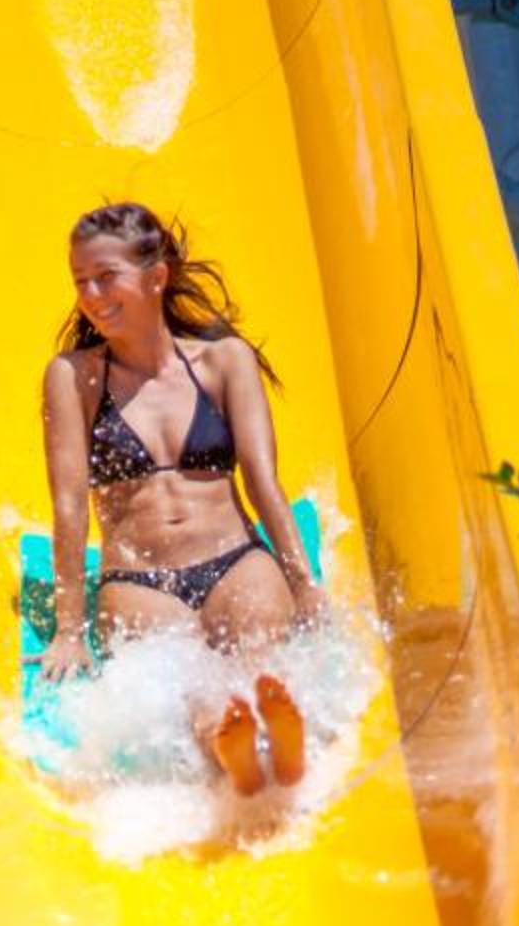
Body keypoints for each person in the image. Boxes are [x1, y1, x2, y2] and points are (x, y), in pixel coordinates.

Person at [37, 202, 323, 793]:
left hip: (236, 561)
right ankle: (235, 754)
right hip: (142, 581)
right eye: (80, 281)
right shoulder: (74, 376)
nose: (90, 294)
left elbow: (263, 481)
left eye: (105, 276)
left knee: (261, 668)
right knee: (190, 689)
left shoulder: (225, 361)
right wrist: (69, 626)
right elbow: (68, 503)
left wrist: (304, 584)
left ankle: (284, 747)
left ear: (155, 276)